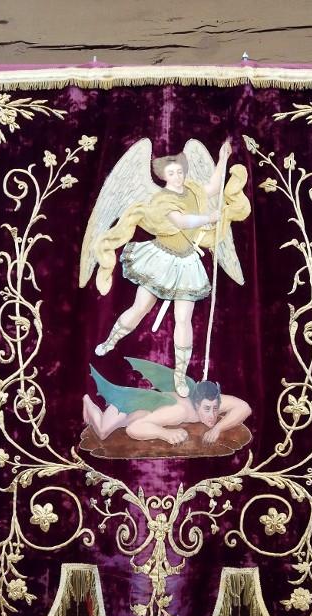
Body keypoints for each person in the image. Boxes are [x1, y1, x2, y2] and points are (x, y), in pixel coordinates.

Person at [94, 142, 233, 398]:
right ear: (163, 176)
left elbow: (213, 187)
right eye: (172, 173)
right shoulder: (161, 199)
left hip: (187, 262)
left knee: (184, 319)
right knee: (140, 307)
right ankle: (110, 341)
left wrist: (223, 159)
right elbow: (181, 221)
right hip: (160, 258)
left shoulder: (192, 189)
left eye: (179, 171)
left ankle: (180, 375)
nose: (177, 176)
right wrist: (208, 218)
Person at [83, 360, 251, 446]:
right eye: (207, 409)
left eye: (215, 409)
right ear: (196, 405)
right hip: (125, 407)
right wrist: (165, 434)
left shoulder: (208, 399)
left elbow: (244, 407)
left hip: (142, 405)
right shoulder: (179, 411)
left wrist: (218, 428)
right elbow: (133, 428)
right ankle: (88, 402)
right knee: (102, 432)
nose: (212, 415)